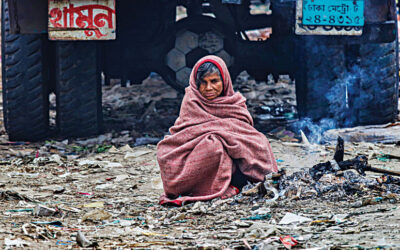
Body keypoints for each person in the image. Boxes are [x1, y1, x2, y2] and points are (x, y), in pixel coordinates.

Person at [157, 55, 278, 206]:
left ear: (225, 81)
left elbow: (243, 131)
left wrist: (228, 137)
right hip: (193, 159)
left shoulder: (234, 103)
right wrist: (221, 135)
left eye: (214, 81)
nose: (208, 88)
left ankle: (258, 179)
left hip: (229, 159)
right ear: (196, 84)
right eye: (203, 82)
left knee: (258, 140)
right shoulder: (192, 101)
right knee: (214, 146)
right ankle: (205, 187)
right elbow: (185, 134)